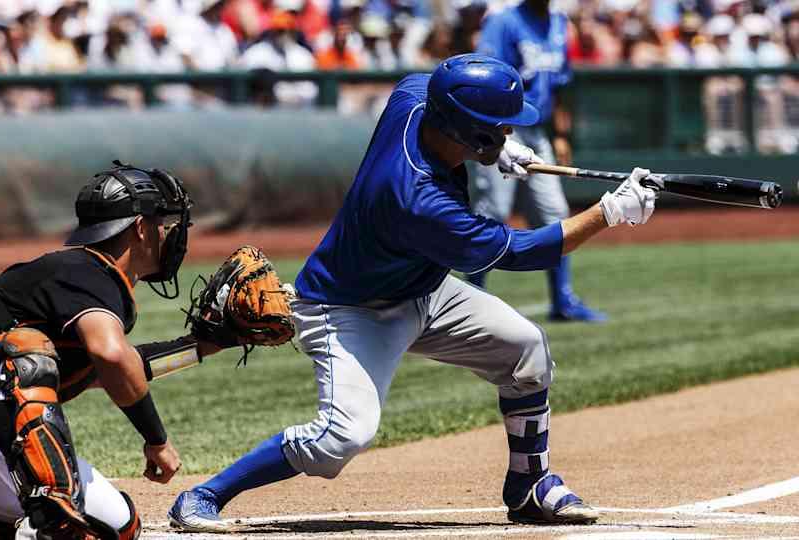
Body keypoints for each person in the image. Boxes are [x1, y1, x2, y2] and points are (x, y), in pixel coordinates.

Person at [167, 53, 656, 532]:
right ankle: (204, 495)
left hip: (423, 290)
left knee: (526, 349)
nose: (510, 134)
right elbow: (522, 251)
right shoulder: (416, 197)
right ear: (468, 129)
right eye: (501, 128)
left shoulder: (414, 101)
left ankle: (529, 485)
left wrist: (493, 149)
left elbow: (421, 79)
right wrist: (608, 213)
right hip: (349, 311)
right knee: (343, 436)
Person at [0, 162, 220, 539]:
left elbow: (120, 366)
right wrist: (157, 440)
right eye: (162, 225)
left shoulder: (85, 281)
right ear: (140, 228)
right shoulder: (85, 269)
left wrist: (207, 346)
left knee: (112, 525)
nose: (167, 235)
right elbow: (112, 357)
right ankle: (52, 505)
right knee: (22, 354)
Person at [469, 0, 607, 322]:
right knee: (492, 215)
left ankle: (563, 300)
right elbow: (486, 79)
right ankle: (471, 303)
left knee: (553, 212)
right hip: (502, 129)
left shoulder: (558, 23)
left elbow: (560, 85)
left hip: (538, 131)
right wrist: (492, 139)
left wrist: (560, 133)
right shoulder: (503, 22)